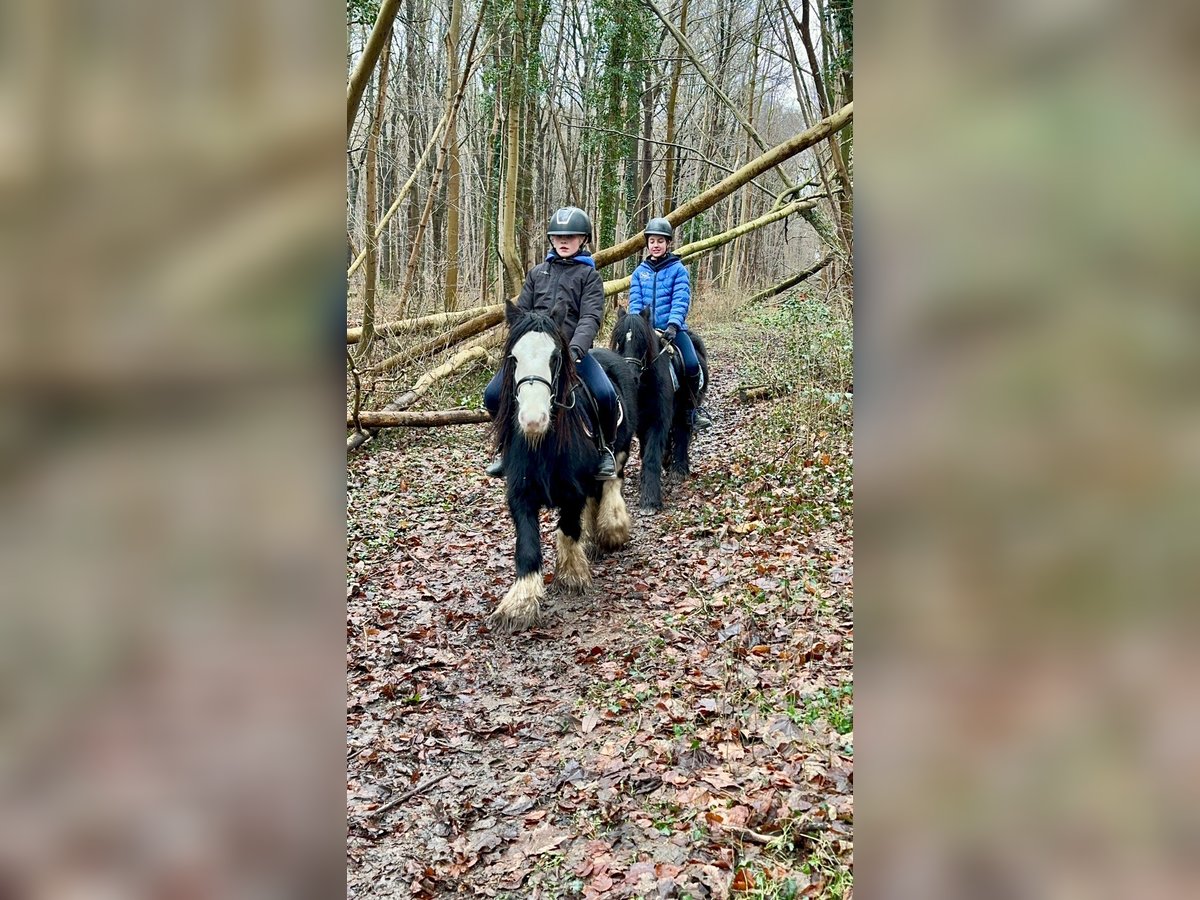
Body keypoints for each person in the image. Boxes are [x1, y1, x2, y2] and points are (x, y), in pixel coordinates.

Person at [482, 206, 619, 479]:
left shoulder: (589, 277)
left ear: (584, 239)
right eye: (558, 237)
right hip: (535, 355)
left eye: (571, 236)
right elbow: (522, 313)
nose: (564, 241)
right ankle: (507, 448)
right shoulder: (537, 274)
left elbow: (591, 317)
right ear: (551, 240)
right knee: (493, 394)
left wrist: (576, 349)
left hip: (572, 353)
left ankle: (605, 449)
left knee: (606, 394)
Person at [628, 217, 712, 429]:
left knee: (692, 364)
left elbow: (681, 300)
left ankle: (691, 410)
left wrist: (673, 325)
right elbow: (635, 302)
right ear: (647, 244)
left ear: (668, 244)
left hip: (671, 330)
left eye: (660, 241)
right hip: (646, 332)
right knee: (627, 363)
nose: (656, 245)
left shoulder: (678, 269)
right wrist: (638, 326)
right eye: (652, 241)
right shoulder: (640, 272)